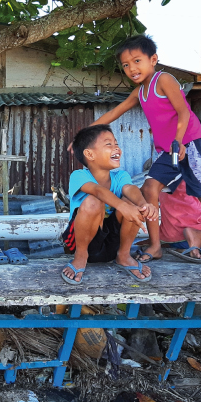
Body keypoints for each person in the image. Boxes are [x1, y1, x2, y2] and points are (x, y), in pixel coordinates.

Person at [69, 34, 201, 264]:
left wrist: (178, 141)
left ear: (153, 59)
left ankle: (189, 238)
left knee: (194, 192)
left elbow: (184, 112)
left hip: (189, 144)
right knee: (150, 188)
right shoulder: (140, 92)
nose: (132, 68)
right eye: (126, 65)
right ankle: (156, 244)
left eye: (137, 61)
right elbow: (114, 113)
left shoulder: (164, 79)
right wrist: (82, 136)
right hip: (167, 150)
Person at [61, 125, 157, 285]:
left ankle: (124, 256)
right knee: (93, 201)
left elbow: (130, 188)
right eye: (108, 144)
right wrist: (122, 206)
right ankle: (80, 257)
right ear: (90, 154)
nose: (116, 148)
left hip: (113, 243)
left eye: (116, 143)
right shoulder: (78, 175)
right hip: (83, 242)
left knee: (134, 203)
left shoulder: (121, 175)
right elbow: (98, 191)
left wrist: (144, 205)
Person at [159, 180, 201, 260]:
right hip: (190, 235)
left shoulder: (157, 178)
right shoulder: (195, 173)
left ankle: (189, 247)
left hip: (171, 239)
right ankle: (195, 235)